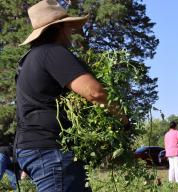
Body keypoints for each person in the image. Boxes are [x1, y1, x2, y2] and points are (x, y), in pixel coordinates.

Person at [15, 1, 127, 191]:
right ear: (58, 28)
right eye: (69, 26)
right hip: (50, 149)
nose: (72, 32)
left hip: (32, 145)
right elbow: (95, 92)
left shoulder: (28, 59)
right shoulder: (53, 52)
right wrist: (122, 119)